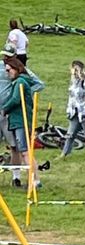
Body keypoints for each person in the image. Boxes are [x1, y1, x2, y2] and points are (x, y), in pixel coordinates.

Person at [3, 57, 37, 188]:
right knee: (23, 151)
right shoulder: (19, 81)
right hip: (18, 120)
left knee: (25, 152)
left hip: (20, 120)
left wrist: (5, 109)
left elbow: (16, 99)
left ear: (16, 68)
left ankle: (34, 181)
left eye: (9, 70)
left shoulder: (20, 82)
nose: (7, 73)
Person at [61, 61, 85, 161]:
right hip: (75, 112)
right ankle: (64, 154)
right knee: (70, 134)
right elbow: (71, 98)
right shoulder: (73, 82)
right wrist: (69, 110)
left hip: (84, 113)